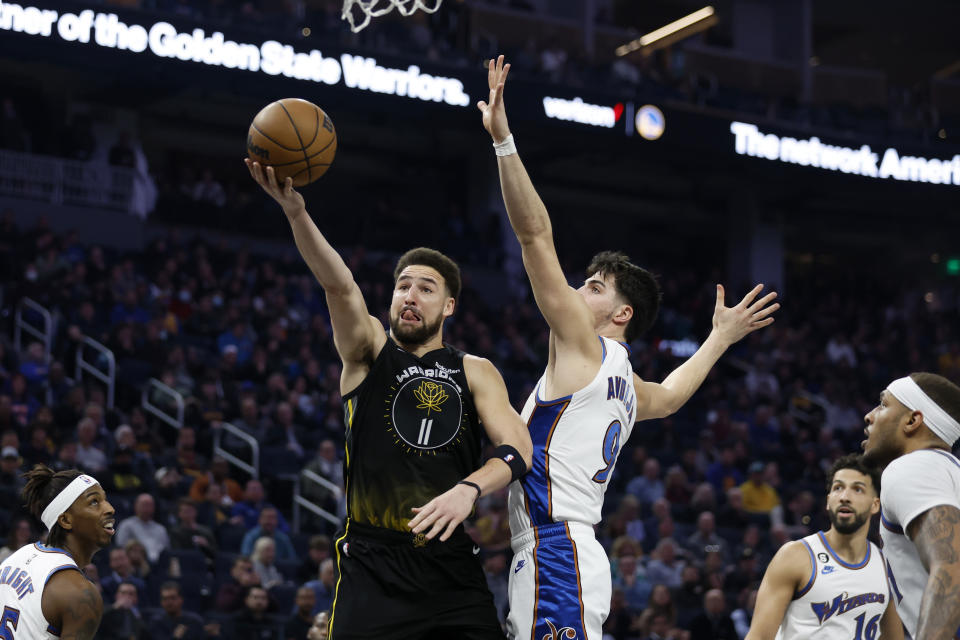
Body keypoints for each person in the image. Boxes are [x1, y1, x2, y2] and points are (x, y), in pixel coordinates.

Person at [477, 54, 780, 639]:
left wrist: (503, 142)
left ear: (621, 314)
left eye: (591, 287)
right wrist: (719, 338)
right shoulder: (623, 377)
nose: (573, 291)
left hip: (556, 548)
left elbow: (534, 234)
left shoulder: (584, 348)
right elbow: (668, 397)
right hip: (570, 549)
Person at [247, 153, 533, 640]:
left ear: (449, 305)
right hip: (372, 562)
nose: (410, 296)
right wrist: (296, 213)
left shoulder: (475, 370)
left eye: (425, 288)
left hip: (449, 567)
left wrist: (469, 490)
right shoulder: (370, 352)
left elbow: (518, 449)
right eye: (403, 286)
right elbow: (339, 286)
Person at [744, 454, 902, 640]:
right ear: (828, 501)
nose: (844, 497)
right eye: (838, 488)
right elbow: (758, 637)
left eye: (857, 489)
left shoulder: (885, 566)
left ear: (875, 505)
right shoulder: (795, 555)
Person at [862, 372, 960, 640]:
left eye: (883, 405)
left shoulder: (911, 467)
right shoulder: (946, 471)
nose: (869, 416)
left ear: (913, 420)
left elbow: (951, 564)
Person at [0, 464, 115, 639]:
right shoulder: (81, 593)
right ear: (66, 520)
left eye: (105, 499)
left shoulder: (18, 556)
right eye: (94, 502)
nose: (109, 509)